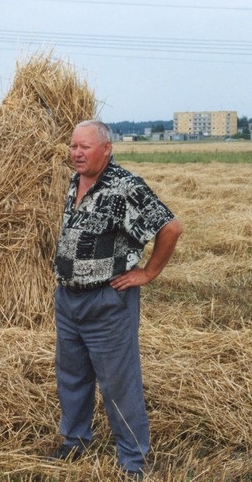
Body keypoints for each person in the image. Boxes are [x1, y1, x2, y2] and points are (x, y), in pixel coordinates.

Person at [47, 120, 182, 479]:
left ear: (106, 148)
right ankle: (74, 442)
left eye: (84, 147)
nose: (76, 153)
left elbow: (170, 227)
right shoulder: (76, 181)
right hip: (69, 298)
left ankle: (132, 460)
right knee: (72, 376)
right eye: (73, 146)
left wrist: (148, 272)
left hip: (107, 301)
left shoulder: (126, 187)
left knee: (118, 383)